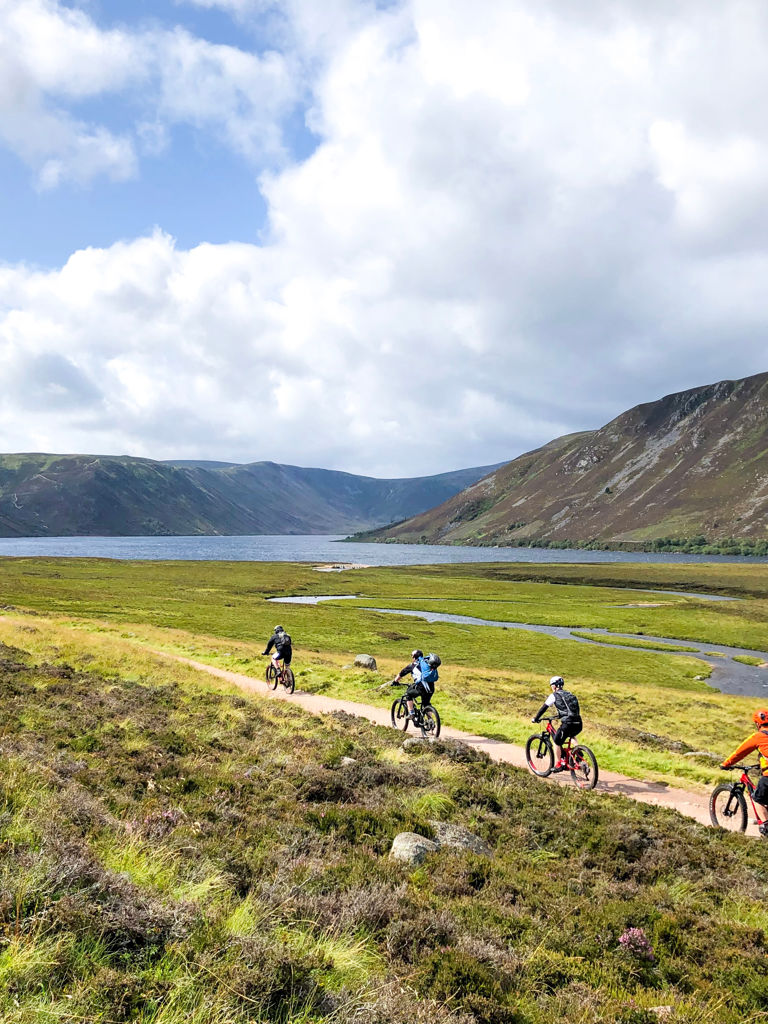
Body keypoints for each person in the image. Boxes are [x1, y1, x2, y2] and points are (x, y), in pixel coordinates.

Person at [720, 709, 768, 835]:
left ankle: (765, 826)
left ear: (758, 724)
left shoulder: (759, 736)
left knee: (758, 799)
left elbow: (740, 752)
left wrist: (726, 764)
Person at [532, 675, 582, 773]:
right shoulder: (570, 694)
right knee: (572, 736)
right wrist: (560, 715)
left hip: (568, 722)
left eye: (551, 686)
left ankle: (560, 764)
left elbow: (544, 708)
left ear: (554, 686)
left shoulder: (554, 695)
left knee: (556, 741)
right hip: (578, 722)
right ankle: (579, 755)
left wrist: (536, 718)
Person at [393, 649, 439, 719]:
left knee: (408, 694)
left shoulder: (413, 665)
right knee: (426, 703)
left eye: (412, 656)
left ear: (414, 657)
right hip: (431, 687)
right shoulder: (427, 664)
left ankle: (411, 713)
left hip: (421, 687)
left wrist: (395, 681)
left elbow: (402, 673)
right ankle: (430, 721)